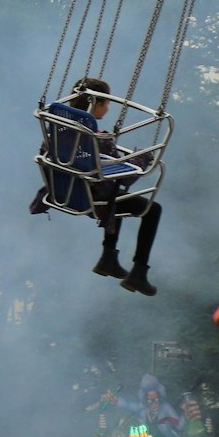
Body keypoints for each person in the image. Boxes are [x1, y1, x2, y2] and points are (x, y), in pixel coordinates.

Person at [34, 77, 160, 295]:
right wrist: (143, 157)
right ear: (95, 103)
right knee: (152, 209)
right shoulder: (96, 139)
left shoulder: (55, 133)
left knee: (116, 196)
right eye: (106, 103)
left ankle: (108, 258)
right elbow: (123, 175)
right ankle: (139, 272)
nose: (108, 108)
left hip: (64, 193)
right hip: (92, 198)